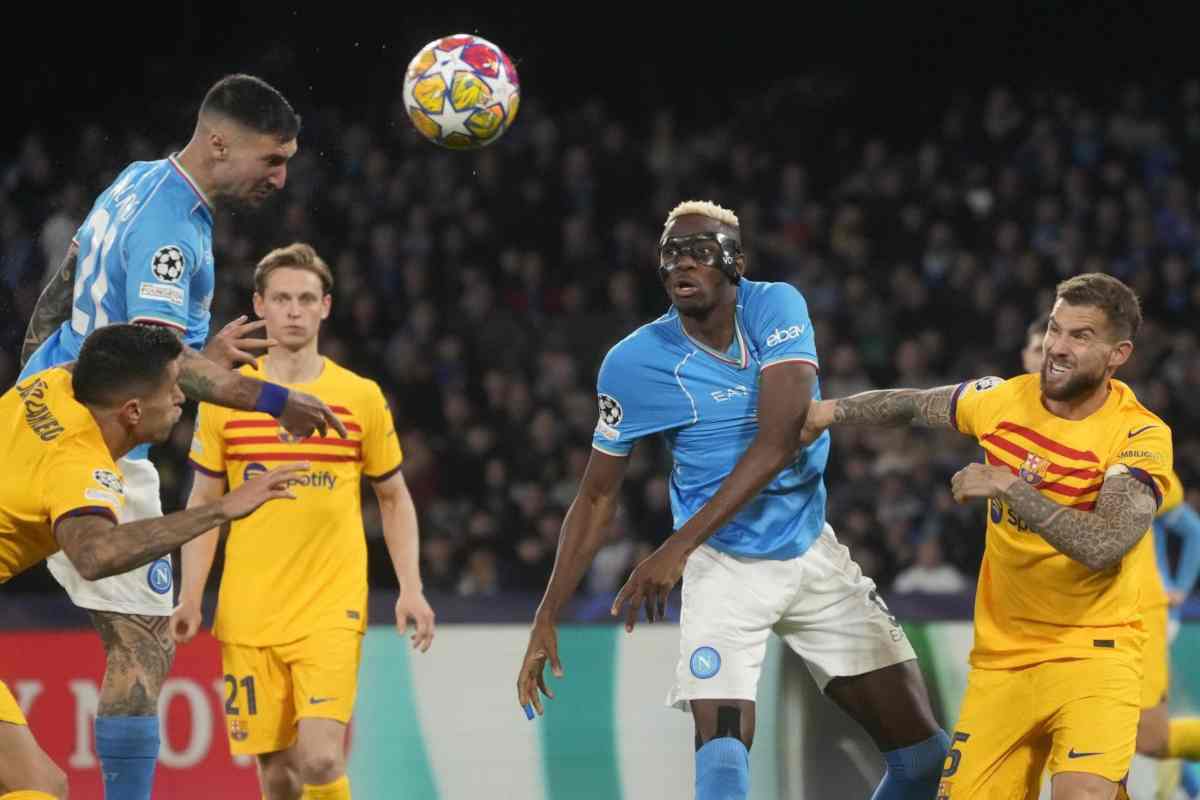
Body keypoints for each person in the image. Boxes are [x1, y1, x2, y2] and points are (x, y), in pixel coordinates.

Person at [516, 201, 949, 800]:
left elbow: (780, 438)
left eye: (699, 251)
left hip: (809, 551)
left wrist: (673, 548)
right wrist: (547, 612)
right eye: (671, 253)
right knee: (721, 759)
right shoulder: (633, 364)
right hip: (723, 567)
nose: (681, 263)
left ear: (735, 263)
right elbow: (594, 497)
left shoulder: (776, 307)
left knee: (926, 762)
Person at [15, 74, 344, 800]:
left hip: (38, 400)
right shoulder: (171, 228)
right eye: (271, 160)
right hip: (97, 434)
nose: (281, 178)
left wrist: (32, 371)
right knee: (142, 643)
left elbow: (64, 287)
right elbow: (154, 364)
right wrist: (272, 399)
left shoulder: (138, 181)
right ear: (220, 142)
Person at [806, 273, 1172, 799]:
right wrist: (826, 413)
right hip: (1001, 664)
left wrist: (1009, 485)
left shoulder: (1139, 434)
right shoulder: (999, 400)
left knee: (1082, 794)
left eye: (1080, 336)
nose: (1058, 348)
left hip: (1096, 653)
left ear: (1119, 354)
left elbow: (1105, 544)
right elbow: (912, 403)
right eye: (1054, 329)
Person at [172, 243, 436, 800]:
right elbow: (203, 502)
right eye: (283, 298)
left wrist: (411, 587)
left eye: (306, 299)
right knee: (278, 776)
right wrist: (191, 595)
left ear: (326, 308)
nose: (294, 310)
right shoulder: (226, 400)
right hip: (247, 610)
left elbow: (393, 497)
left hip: (329, 607)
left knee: (319, 759)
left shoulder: (359, 397)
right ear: (260, 305)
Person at [0, 324, 305, 800]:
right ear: (133, 411)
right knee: (36, 785)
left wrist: (208, 362)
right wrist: (222, 508)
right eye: (172, 390)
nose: (181, 397)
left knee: (41, 785)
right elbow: (95, 554)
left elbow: (108, 358)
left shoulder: (53, 383)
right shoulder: (78, 465)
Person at [1024, 313, 1200, 799]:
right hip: (1059, 615)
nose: (1048, 358)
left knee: (1142, 741)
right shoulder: (1016, 435)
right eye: (1040, 349)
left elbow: (1189, 527)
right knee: (1089, 750)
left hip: (1128, 617)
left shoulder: (1127, 445)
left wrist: (1178, 586)